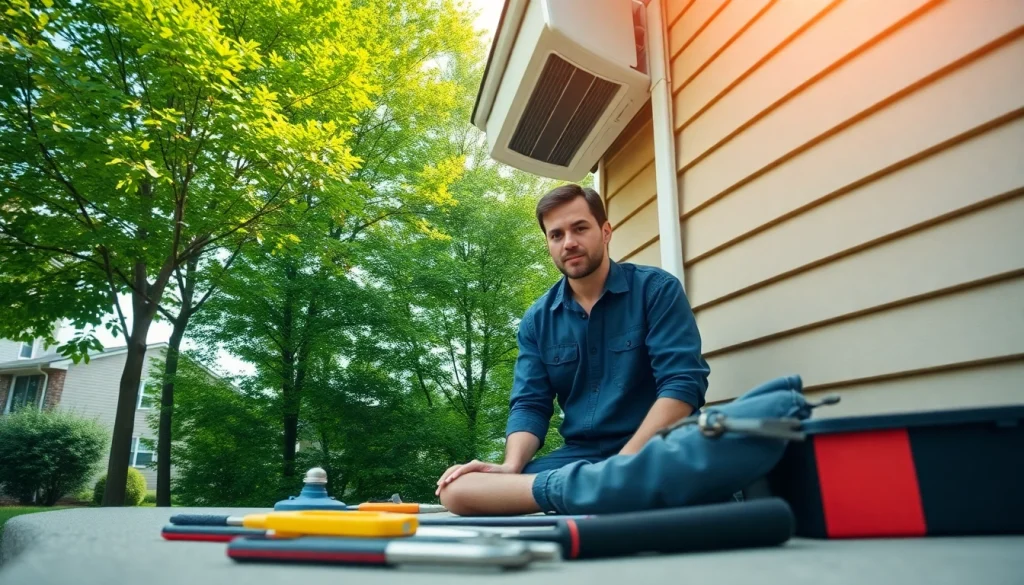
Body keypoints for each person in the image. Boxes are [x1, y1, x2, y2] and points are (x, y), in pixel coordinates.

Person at [435, 183, 710, 503]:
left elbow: (682, 384)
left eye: (580, 228)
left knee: (694, 479)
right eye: (556, 235)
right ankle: (595, 493)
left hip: (657, 449)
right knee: (458, 492)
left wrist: (623, 465)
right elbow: (529, 404)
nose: (569, 243)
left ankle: (595, 494)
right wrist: (510, 467)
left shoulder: (657, 290)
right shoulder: (537, 320)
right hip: (582, 461)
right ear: (548, 243)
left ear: (605, 231)